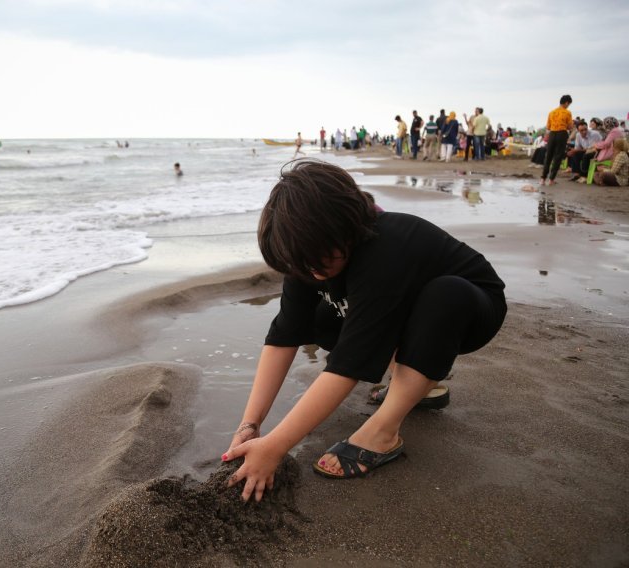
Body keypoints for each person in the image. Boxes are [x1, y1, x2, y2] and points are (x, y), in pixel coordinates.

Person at [222, 160, 506, 502]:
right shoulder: (307, 255)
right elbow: (284, 337)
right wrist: (250, 425)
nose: (310, 271)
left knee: (444, 296)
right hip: (402, 310)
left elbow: (349, 364)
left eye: (317, 260)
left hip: (471, 308)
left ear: (346, 227)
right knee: (324, 318)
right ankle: (420, 386)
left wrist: (276, 446)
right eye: (300, 265)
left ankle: (384, 432)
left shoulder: (386, 247)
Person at [541, 94, 574, 186]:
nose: (568, 106)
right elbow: (570, 126)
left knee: (548, 156)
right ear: (567, 102)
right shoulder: (567, 112)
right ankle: (551, 180)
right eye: (569, 104)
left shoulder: (551, 112)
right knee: (558, 157)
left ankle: (543, 179)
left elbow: (548, 126)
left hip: (552, 134)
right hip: (562, 134)